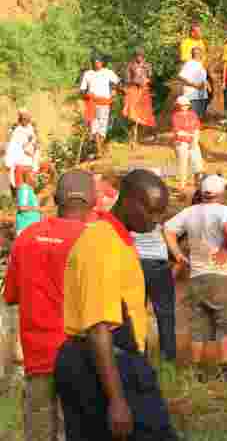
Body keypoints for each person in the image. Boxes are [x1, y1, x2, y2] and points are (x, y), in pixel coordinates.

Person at [55, 169, 179, 440]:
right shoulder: (102, 244)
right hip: (104, 366)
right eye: (152, 211)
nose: (157, 221)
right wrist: (117, 401)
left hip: (116, 361)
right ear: (131, 201)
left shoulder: (119, 242)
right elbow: (99, 327)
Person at [3, 170, 91, 441]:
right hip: (80, 355)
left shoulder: (26, 237)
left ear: (54, 199)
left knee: (39, 430)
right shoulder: (95, 241)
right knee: (76, 428)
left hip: (37, 355)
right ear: (94, 201)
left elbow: (11, 295)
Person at [163, 174, 227, 381]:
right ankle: (224, 369)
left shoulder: (189, 212)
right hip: (223, 274)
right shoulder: (224, 210)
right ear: (220, 193)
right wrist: (225, 247)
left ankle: (197, 369)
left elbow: (168, 229)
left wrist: (178, 254)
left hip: (197, 275)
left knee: (199, 324)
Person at [131, 211, 177, 365]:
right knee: (165, 314)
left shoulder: (127, 216)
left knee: (136, 313)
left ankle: (139, 358)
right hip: (159, 265)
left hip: (135, 265)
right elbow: (171, 235)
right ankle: (168, 360)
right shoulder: (159, 214)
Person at [79, 56, 120, 156]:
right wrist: (86, 95)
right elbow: (82, 89)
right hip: (92, 103)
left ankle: (99, 149)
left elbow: (117, 82)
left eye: (98, 62)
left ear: (102, 63)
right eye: (94, 62)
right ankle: (99, 150)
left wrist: (114, 90)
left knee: (103, 126)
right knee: (94, 126)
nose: (96, 64)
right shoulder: (88, 74)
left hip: (105, 102)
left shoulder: (108, 72)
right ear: (92, 63)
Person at [122, 50, 155, 150]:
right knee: (133, 115)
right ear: (135, 56)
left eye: (141, 56)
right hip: (133, 90)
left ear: (143, 56)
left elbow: (151, 78)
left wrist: (146, 81)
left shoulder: (147, 65)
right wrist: (136, 82)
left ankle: (143, 137)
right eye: (137, 56)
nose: (139, 58)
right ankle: (133, 139)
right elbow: (127, 80)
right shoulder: (130, 66)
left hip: (144, 91)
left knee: (145, 113)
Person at [170, 95, 203, 190]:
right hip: (181, 141)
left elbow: (197, 128)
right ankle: (182, 184)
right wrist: (191, 136)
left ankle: (197, 183)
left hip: (192, 140)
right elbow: (178, 131)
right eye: (182, 105)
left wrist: (195, 140)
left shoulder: (193, 114)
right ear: (178, 105)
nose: (184, 106)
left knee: (197, 162)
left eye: (185, 105)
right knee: (182, 162)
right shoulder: (175, 116)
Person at [5, 108, 40, 196]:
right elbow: (13, 147)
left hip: (29, 164)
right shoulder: (17, 131)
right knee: (20, 190)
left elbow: (34, 146)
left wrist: (34, 148)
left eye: (28, 118)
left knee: (30, 190)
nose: (26, 120)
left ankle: (29, 207)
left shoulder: (31, 129)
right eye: (24, 118)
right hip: (19, 164)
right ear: (20, 119)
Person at [178, 45, 211, 119]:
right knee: (193, 116)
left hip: (202, 95)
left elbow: (203, 78)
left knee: (200, 116)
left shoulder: (201, 64)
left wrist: (209, 87)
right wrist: (194, 85)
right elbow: (181, 77)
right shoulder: (189, 64)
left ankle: (197, 129)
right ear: (192, 54)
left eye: (199, 53)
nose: (198, 55)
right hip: (192, 95)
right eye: (196, 53)